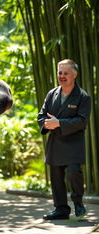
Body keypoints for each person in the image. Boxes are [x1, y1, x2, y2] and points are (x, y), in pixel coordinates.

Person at [37, 59, 91, 220]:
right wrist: (48, 124)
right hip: (55, 142)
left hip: (74, 142)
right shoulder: (51, 94)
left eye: (65, 73)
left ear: (74, 75)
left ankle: (78, 203)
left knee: (74, 173)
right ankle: (61, 208)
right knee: (56, 177)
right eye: (59, 72)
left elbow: (82, 121)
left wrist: (59, 123)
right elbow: (41, 115)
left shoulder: (83, 97)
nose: (61, 76)